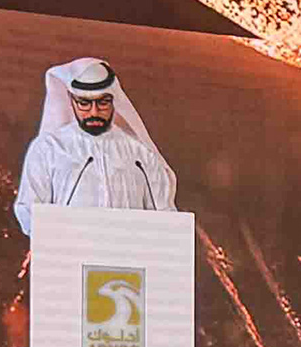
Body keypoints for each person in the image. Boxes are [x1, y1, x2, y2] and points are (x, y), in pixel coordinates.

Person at [14, 56, 178, 234]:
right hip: (68, 249)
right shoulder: (48, 149)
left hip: (130, 249)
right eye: (84, 103)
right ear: (71, 99)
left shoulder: (140, 154)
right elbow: (29, 213)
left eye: (103, 102)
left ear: (114, 100)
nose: (94, 112)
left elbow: (165, 216)